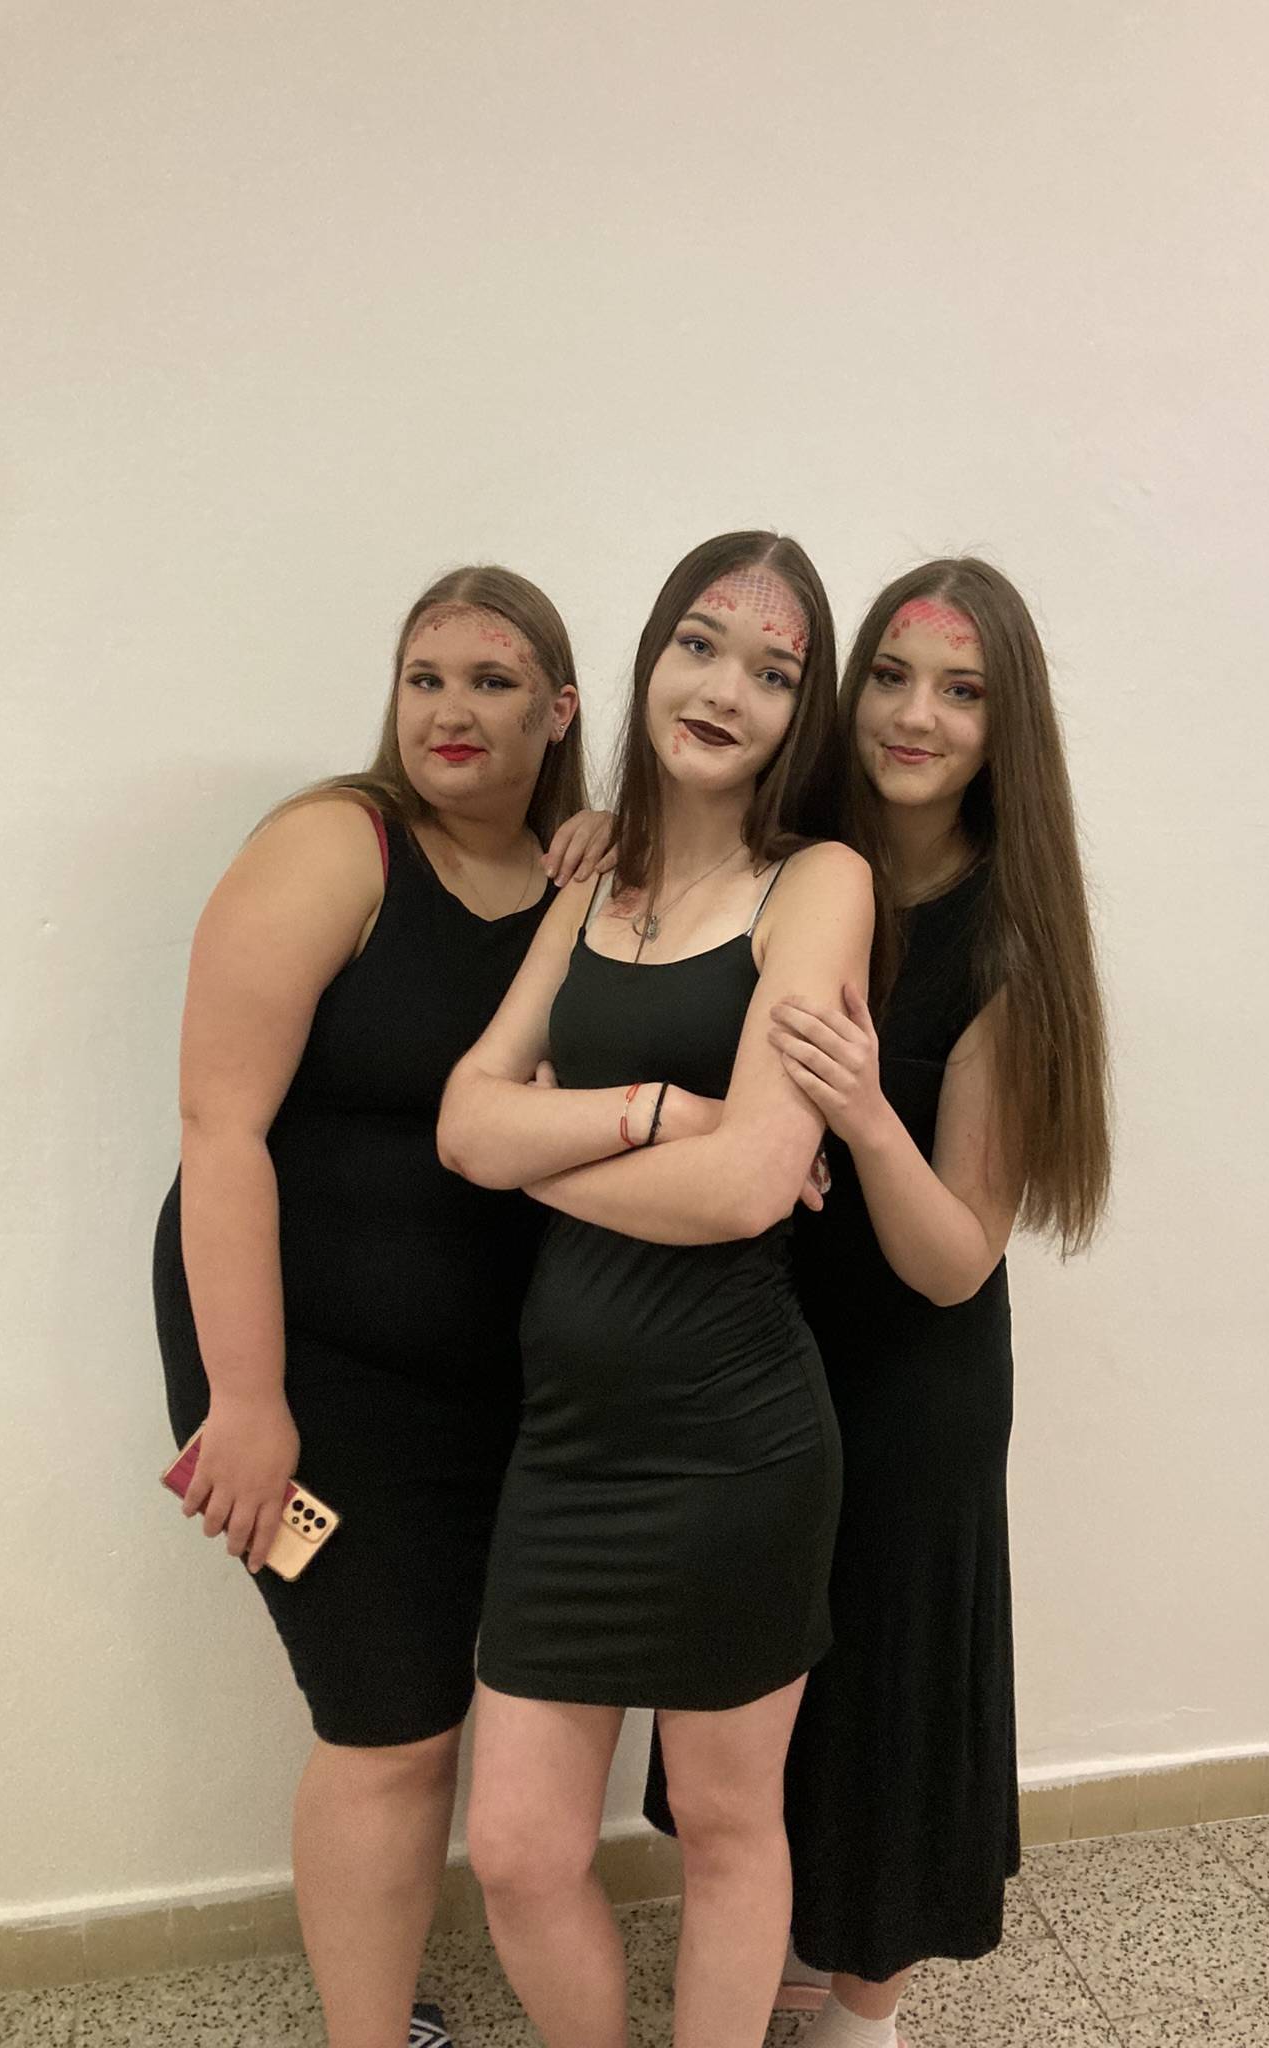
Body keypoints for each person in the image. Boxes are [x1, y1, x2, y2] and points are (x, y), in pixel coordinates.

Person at [646, 558, 1112, 2048]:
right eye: (894, 679)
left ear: (1004, 728)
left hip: (914, 1388)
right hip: (758, 1356)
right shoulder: (803, 866)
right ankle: (783, 1949)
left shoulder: (1008, 947)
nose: (916, 716)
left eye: (962, 691)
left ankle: (865, 2010)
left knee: (892, 1694)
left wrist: (861, 1110)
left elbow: (956, 1257)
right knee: (767, 1688)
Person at [152, 565, 612, 2048]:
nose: (449, 711)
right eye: (425, 678)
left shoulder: (578, 876)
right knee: (389, 1722)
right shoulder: (335, 847)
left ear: (558, 711)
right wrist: (248, 1404)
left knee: (447, 1710)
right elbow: (219, 1131)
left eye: (491, 682)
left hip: (492, 1381)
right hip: (298, 1371)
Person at [436, 531, 873, 2048]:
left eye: (774, 672)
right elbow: (460, 1117)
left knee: (731, 1831)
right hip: (566, 1449)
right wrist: (656, 1114)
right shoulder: (596, 877)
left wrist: (542, 1149)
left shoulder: (818, 883)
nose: (725, 690)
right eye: (699, 645)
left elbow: (749, 1188)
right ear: (648, 662)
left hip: (736, 1444)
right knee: (518, 1849)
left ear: (802, 715)